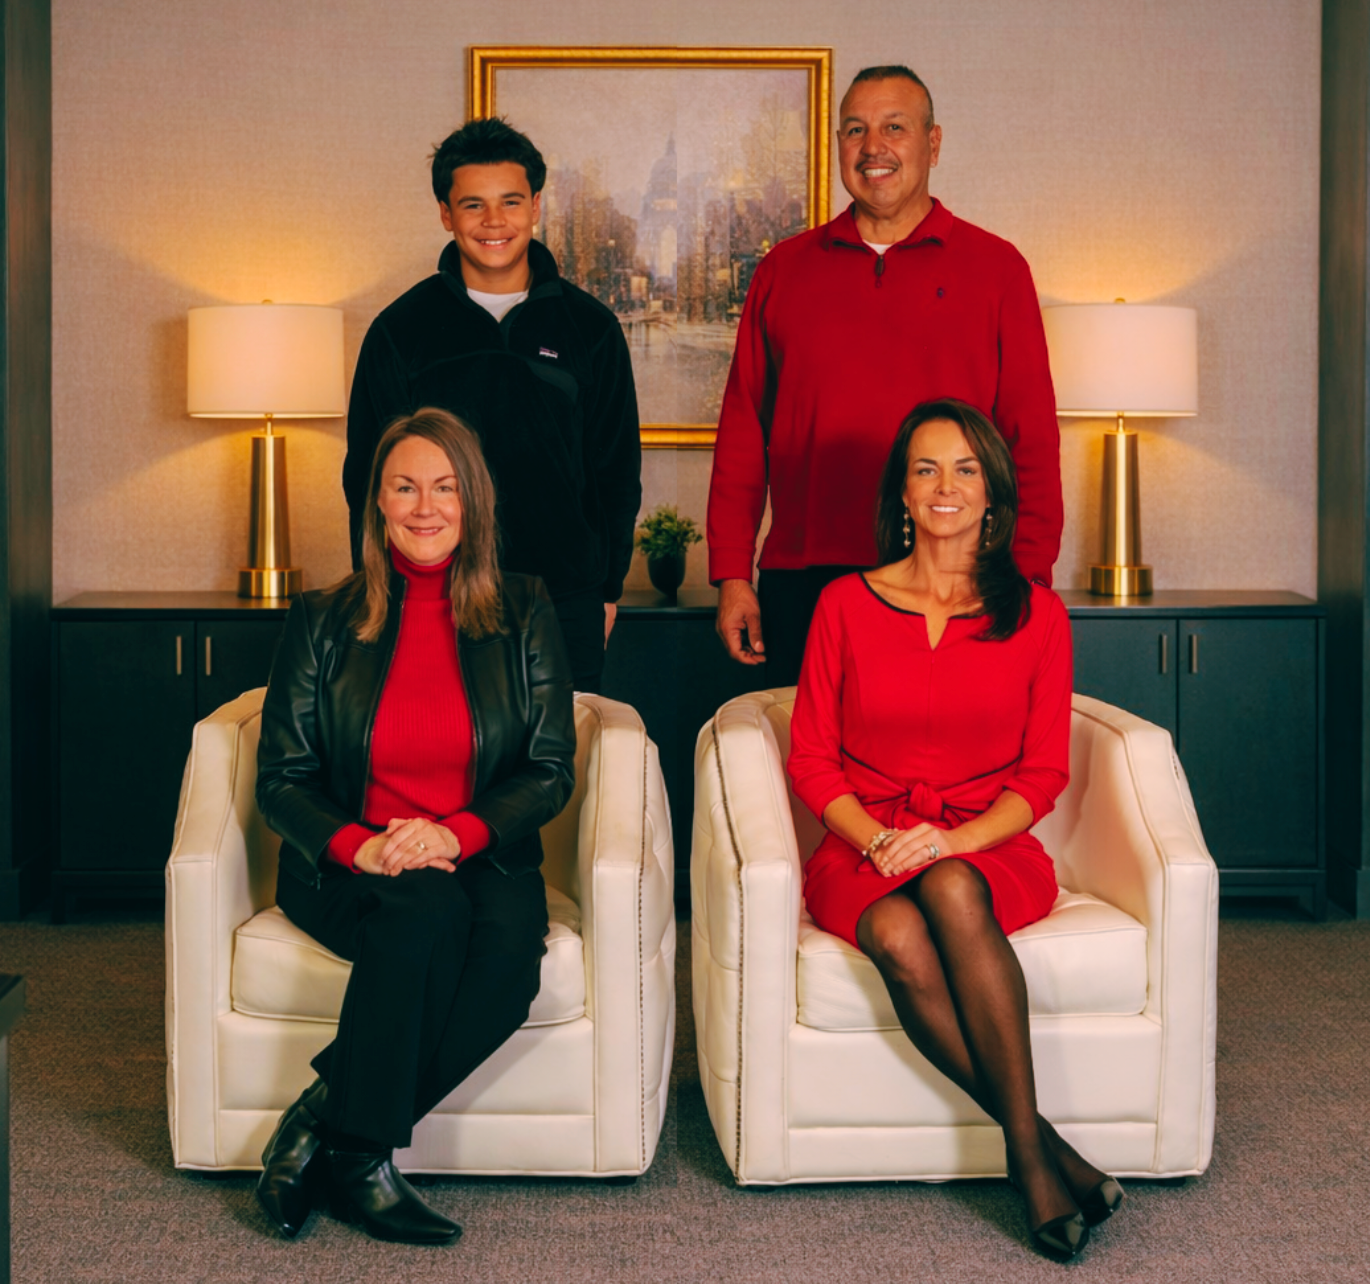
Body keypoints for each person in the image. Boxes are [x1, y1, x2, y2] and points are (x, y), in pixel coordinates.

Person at [786, 400, 1120, 1261]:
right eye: (927, 468)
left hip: (990, 847)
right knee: (896, 932)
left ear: (993, 494)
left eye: (966, 469)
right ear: (902, 489)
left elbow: (1043, 774)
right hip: (862, 844)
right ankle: (1045, 1151)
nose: (946, 487)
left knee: (944, 884)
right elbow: (814, 762)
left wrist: (950, 842)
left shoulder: (1036, 614)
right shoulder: (844, 606)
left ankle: (1030, 1164)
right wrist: (875, 839)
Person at [255, 408, 575, 1244]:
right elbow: (279, 779)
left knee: (506, 975)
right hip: (346, 863)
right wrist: (358, 844)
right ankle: (363, 1165)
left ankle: (322, 1126)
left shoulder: (525, 610)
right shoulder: (322, 618)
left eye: (444, 488)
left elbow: (549, 770)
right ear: (378, 503)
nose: (424, 507)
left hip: (482, 856)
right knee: (424, 915)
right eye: (405, 487)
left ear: (473, 502)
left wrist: (456, 834)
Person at [707, 65, 1063, 687]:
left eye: (894, 127)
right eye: (855, 130)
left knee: (948, 771)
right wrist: (733, 574)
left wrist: (1028, 576)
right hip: (806, 577)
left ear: (933, 143)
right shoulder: (783, 271)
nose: (873, 148)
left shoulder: (998, 269)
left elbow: (1029, 436)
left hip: (957, 575)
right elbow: (743, 434)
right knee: (805, 768)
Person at [343, 117, 641, 692]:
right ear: (445, 214)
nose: (494, 221)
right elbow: (366, 477)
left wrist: (606, 590)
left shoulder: (591, 328)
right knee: (443, 768)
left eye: (509, 202)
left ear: (535, 206)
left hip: (563, 600)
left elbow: (615, 472)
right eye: (473, 205)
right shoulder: (400, 330)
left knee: (560, 772)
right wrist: (377, 594)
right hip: (432, 599)